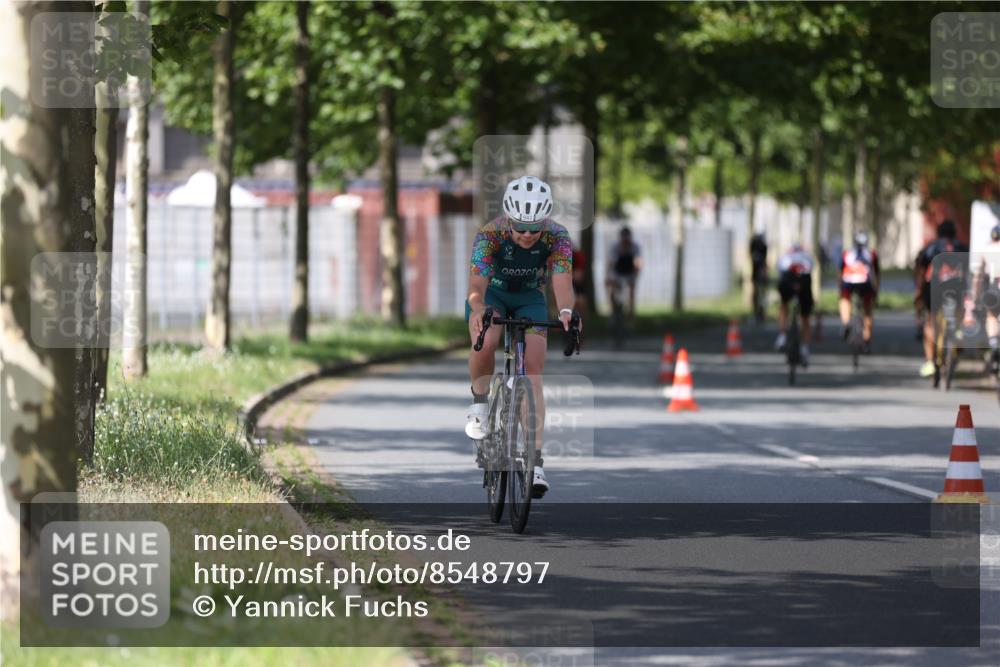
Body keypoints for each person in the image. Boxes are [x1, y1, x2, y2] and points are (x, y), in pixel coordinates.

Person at [465, 175, 580, 498]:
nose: (528, 235)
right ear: (508, 220)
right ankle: (479, 403)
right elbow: (476, 288)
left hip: (530, 297)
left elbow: (562, 284)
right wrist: (478, 309)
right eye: (520, 227)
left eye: (535, 228)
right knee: (486, 340)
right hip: (494, 297)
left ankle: (535, 462)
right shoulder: (490, 235)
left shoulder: (557, 236)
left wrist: (567, 312)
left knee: (533, 373)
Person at [915, 219, 968, 377]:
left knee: (930, 323)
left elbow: (921, 271)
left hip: (935, 288)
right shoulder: (962, 247)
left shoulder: (931, 248)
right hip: (957, 288)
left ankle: (930, 362)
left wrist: (919, 291)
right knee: (959, 315)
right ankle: (958, 333)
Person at [839, 231, 880, 353]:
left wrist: (840, 288)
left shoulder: (847, 253)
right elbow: (876, 273)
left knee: (845, 299)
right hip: (865, 282)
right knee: (868, 310)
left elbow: (840, 272)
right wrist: (876, 290)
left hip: (849, 281)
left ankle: (846, 323)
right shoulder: (871, 253)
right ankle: (867, 340)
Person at [774, 243, 815, 367]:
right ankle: (805, 348)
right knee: (805, 317)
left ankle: (782, 336)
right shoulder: (807, 257)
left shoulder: (785, 256)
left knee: (784, 305)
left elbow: (779, 269)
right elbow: (811, 268)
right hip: (804, 281)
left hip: (787, 280)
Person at [972, 224, 1000, 373]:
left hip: (994, 286)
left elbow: (978, 277)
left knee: (992, 317)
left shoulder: (986, 249)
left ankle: (994, 346)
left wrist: (974, 296)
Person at [606, 227, 642, 321]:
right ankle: (613, 311)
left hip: (629, 272)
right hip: (617, 272)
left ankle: (631, 316)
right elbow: (610, 264)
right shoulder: (615, 246)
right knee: (611, 289)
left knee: (631, 292)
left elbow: (638, 264)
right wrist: (608, 277)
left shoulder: (635, 247)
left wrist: (634, 278)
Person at [749, 233, 768, 322]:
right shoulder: (753, 247)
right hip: (756, 274)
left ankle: (762, 313)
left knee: (762, 294)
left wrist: (764, 274)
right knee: (756, 294)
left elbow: (764, 262)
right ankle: (756, 312)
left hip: (761, 275)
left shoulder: (763, 247)